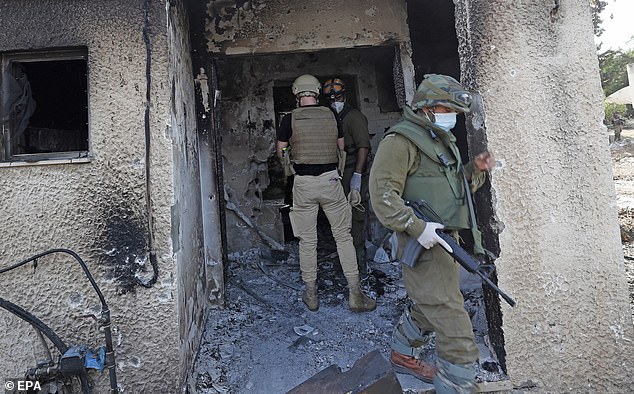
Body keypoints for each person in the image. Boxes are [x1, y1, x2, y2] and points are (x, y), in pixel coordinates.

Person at [369, 74, 495, 393]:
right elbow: (383, 195)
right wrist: (417, 226)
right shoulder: (400, 141)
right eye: (446, 108)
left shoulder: (438, 140)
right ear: (427, 107)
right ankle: (457, 381)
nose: (450, 115)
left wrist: (475, 169)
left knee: (430, 304)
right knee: (456, 331)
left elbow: (453, 189)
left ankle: (403, 354)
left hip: (445, 241)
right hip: (423, 244)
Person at [276, 74, 376, 313]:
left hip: (303, 184)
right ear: (317, 93)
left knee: (307, 241)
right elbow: (341, 148)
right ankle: (355, 294)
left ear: (297, 93)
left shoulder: (289, 119)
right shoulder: (331, 115)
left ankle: (311, 294)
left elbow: (281, 152)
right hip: (331, 180)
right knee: (344, 237)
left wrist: (290, 166)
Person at [322, 77, 372, 278]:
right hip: (338, 172)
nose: (335, 101)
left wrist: (357, 176)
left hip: (353, 169)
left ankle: (359, 265)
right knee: (340, 217)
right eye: (331, 98)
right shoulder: (331, 116)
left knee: (356, 215)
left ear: (346, 96)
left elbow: (363, 148)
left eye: (338, 97)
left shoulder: (354, 117)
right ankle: (347, 263)